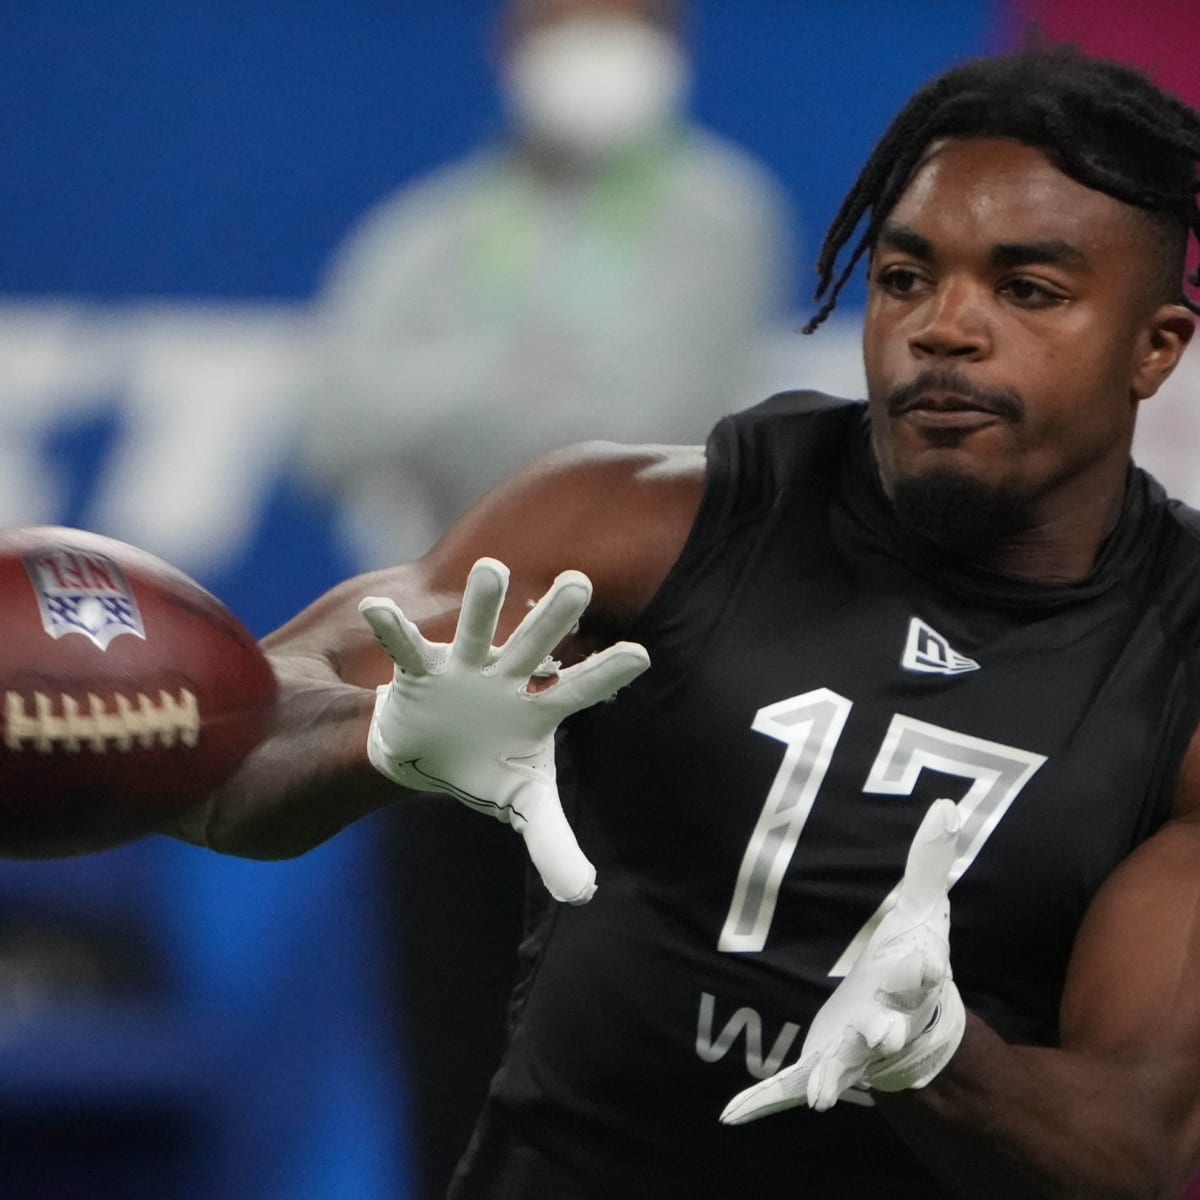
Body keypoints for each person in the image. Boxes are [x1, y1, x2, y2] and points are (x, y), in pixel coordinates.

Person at [167, 43, 1200, 1199]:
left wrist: (943, 1060)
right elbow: (226, 752)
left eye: (1028, 290)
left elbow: (1151, 1149)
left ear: (1155, 348)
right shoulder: (639, 524)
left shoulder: (1180, 671)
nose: (944, 327)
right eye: (905, 276)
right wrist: (378, 737)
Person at [294, 0, 791, 567]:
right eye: (566, 24)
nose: (596, 49)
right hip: (446, 607)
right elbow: (326, 435)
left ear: (676, 45)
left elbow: (652, 426)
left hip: (649, 604)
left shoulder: (722, 214)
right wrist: (510, 374)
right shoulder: (421, 231)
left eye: (625, 25)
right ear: (509, 45)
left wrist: (440, 405)